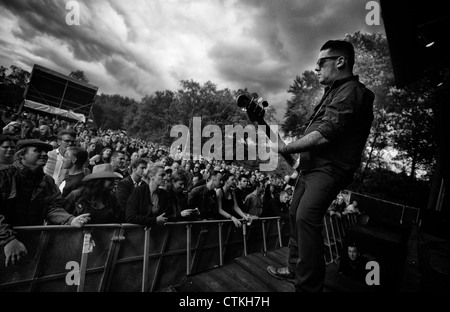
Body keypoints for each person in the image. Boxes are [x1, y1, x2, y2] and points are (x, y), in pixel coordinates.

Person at [267, 40, 374, 292]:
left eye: (320, 63)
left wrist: (289, 147)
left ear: (340, 61)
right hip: (313, 167)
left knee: (306, 217)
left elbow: (326, 133)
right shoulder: (334, 92)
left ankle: (308, 287)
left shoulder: (353, 91)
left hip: (330, 169)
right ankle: (295, 269)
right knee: (295, 213)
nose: (316, 69)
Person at [0, 139, 90, 267]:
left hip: (30, 244)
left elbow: (52, 208)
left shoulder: (47, 182)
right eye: (37, 151)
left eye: (46, 152)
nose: (44, 154)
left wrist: (70, 220)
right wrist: (8, 240)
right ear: (22, 155)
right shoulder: (4, 176)